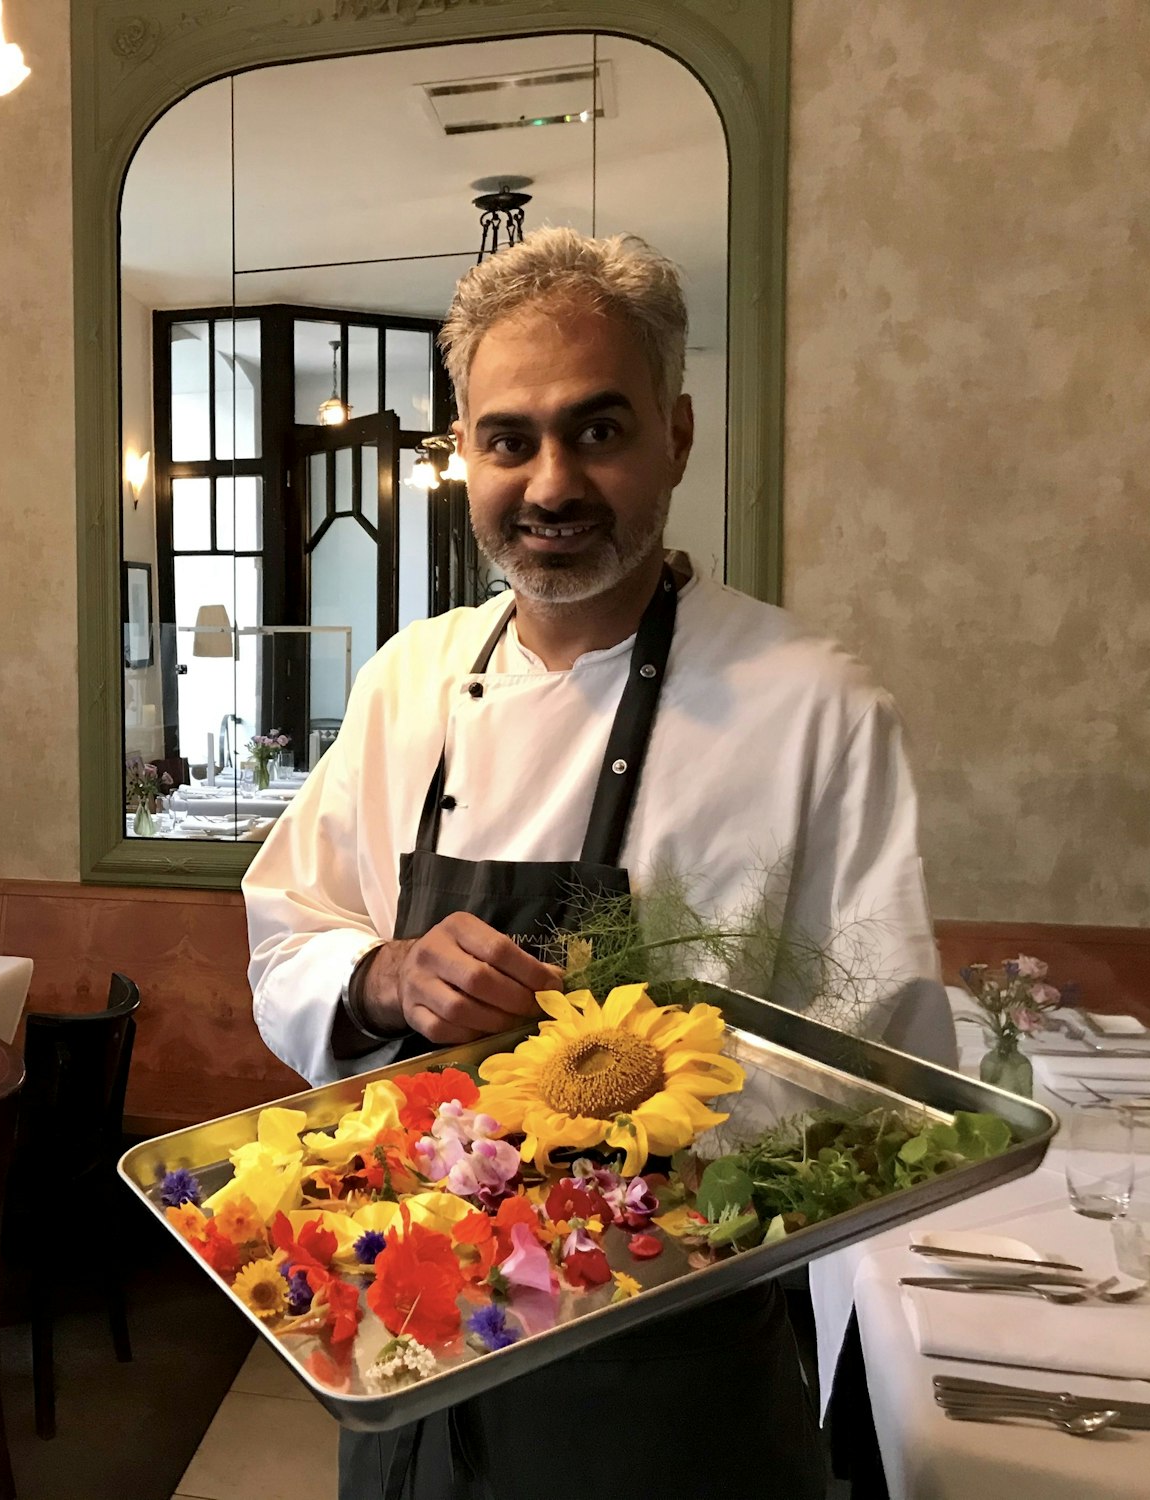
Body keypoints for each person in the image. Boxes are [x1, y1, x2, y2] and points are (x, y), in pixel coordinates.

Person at [242, 228, 954, 1500]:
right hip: (409, 1346)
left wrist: (647, 1127)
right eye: (507, 438)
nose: (549, 482)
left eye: (598, 430)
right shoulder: (408, 682)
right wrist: (386, 975)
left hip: (668, 1378)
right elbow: (286, 939)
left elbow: (886, 1076)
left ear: (675, 436)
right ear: (461, 450)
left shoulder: (811, 707)